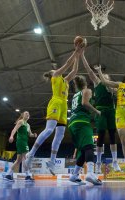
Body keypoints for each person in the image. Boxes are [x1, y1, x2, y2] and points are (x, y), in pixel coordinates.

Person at [25, 45, 84, 175]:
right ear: (52, 74)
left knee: (60, 135)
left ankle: (52, 161)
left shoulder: (65, 80)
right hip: (56, 102)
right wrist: (76, 51)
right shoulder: (56, 76)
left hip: (64, 105)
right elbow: (68, 64)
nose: (56, 70)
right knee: (49, 129)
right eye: (54, 70)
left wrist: (79, 56)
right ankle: (31, 154)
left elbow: (74, 71)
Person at [81, 54, 120, 173]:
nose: (104, 76)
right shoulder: (98, 82)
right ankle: (98, 162)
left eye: (106, 75)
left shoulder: (112, 87)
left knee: (113, 136)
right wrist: (83, 55)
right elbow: (88, 70)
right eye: (103, 75)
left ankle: (114, 161)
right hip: (101, 111)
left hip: (111, 111)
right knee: (101, 137)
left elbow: (119, 91)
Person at [68, 75, 102, 185]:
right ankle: (91, 173)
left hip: (72, 123)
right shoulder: (87, 90)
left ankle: (74, 175)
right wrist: (96, 111)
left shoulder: (75, 95)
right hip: (82, 122)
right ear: (85, 83)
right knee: (89, 147)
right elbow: (84, 103)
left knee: (83, 151)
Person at [4, 111, 37, 181]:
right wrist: (11, 136)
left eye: (28, 114)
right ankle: (28, 175)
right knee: (26, 157)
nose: (28, 114)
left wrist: (34, 135)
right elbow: (14, 129)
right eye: (26, 113)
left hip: (24, 142)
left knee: (18, 160)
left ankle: (8, 174)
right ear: (23, 115)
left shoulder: (28, 125)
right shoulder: (20, 122)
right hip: (21, 142)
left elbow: (30, 134)